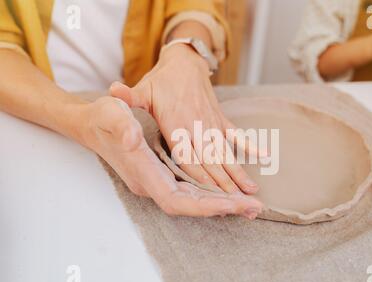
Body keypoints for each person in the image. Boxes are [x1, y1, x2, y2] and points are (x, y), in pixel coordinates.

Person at [0, 0, 263, 219]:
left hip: (140, 121)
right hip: (34, 122)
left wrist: (187, 51)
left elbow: (195, 6)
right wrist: (83, 121)